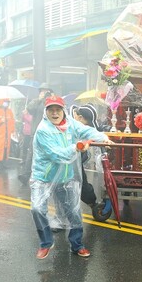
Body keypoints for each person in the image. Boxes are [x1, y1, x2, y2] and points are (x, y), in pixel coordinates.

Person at [30, 96, 113, 259]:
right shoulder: (43, 130)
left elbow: (86, 131)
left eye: (58, 109)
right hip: (43, 176)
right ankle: (46, 243)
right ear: (46, 112)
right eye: (51, 110)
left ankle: (77, 245)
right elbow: (56, 155)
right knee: (37, 208)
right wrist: (76, 147)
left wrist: (103, 138)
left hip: (65, 176)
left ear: (63, 110)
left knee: (74, 211)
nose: (55, 113)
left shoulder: (70, 123)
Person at [71, 104, 112, 218]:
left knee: (80, 185)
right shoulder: (86, 129)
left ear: (81, 118)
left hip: (75, 164)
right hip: (72, 163)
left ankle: (92, 203)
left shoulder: (87, 131)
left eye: (76, 116)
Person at [18, 88, 53, 184]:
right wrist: (39, 99)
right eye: (42, 91)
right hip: (36, 134)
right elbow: (30, 109)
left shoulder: (52, 102)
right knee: (31, 154)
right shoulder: (37, 103)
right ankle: (26, 175)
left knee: (47, 156)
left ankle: (46, 176)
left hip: (48, 134)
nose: (44, 93)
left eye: (46, 91)